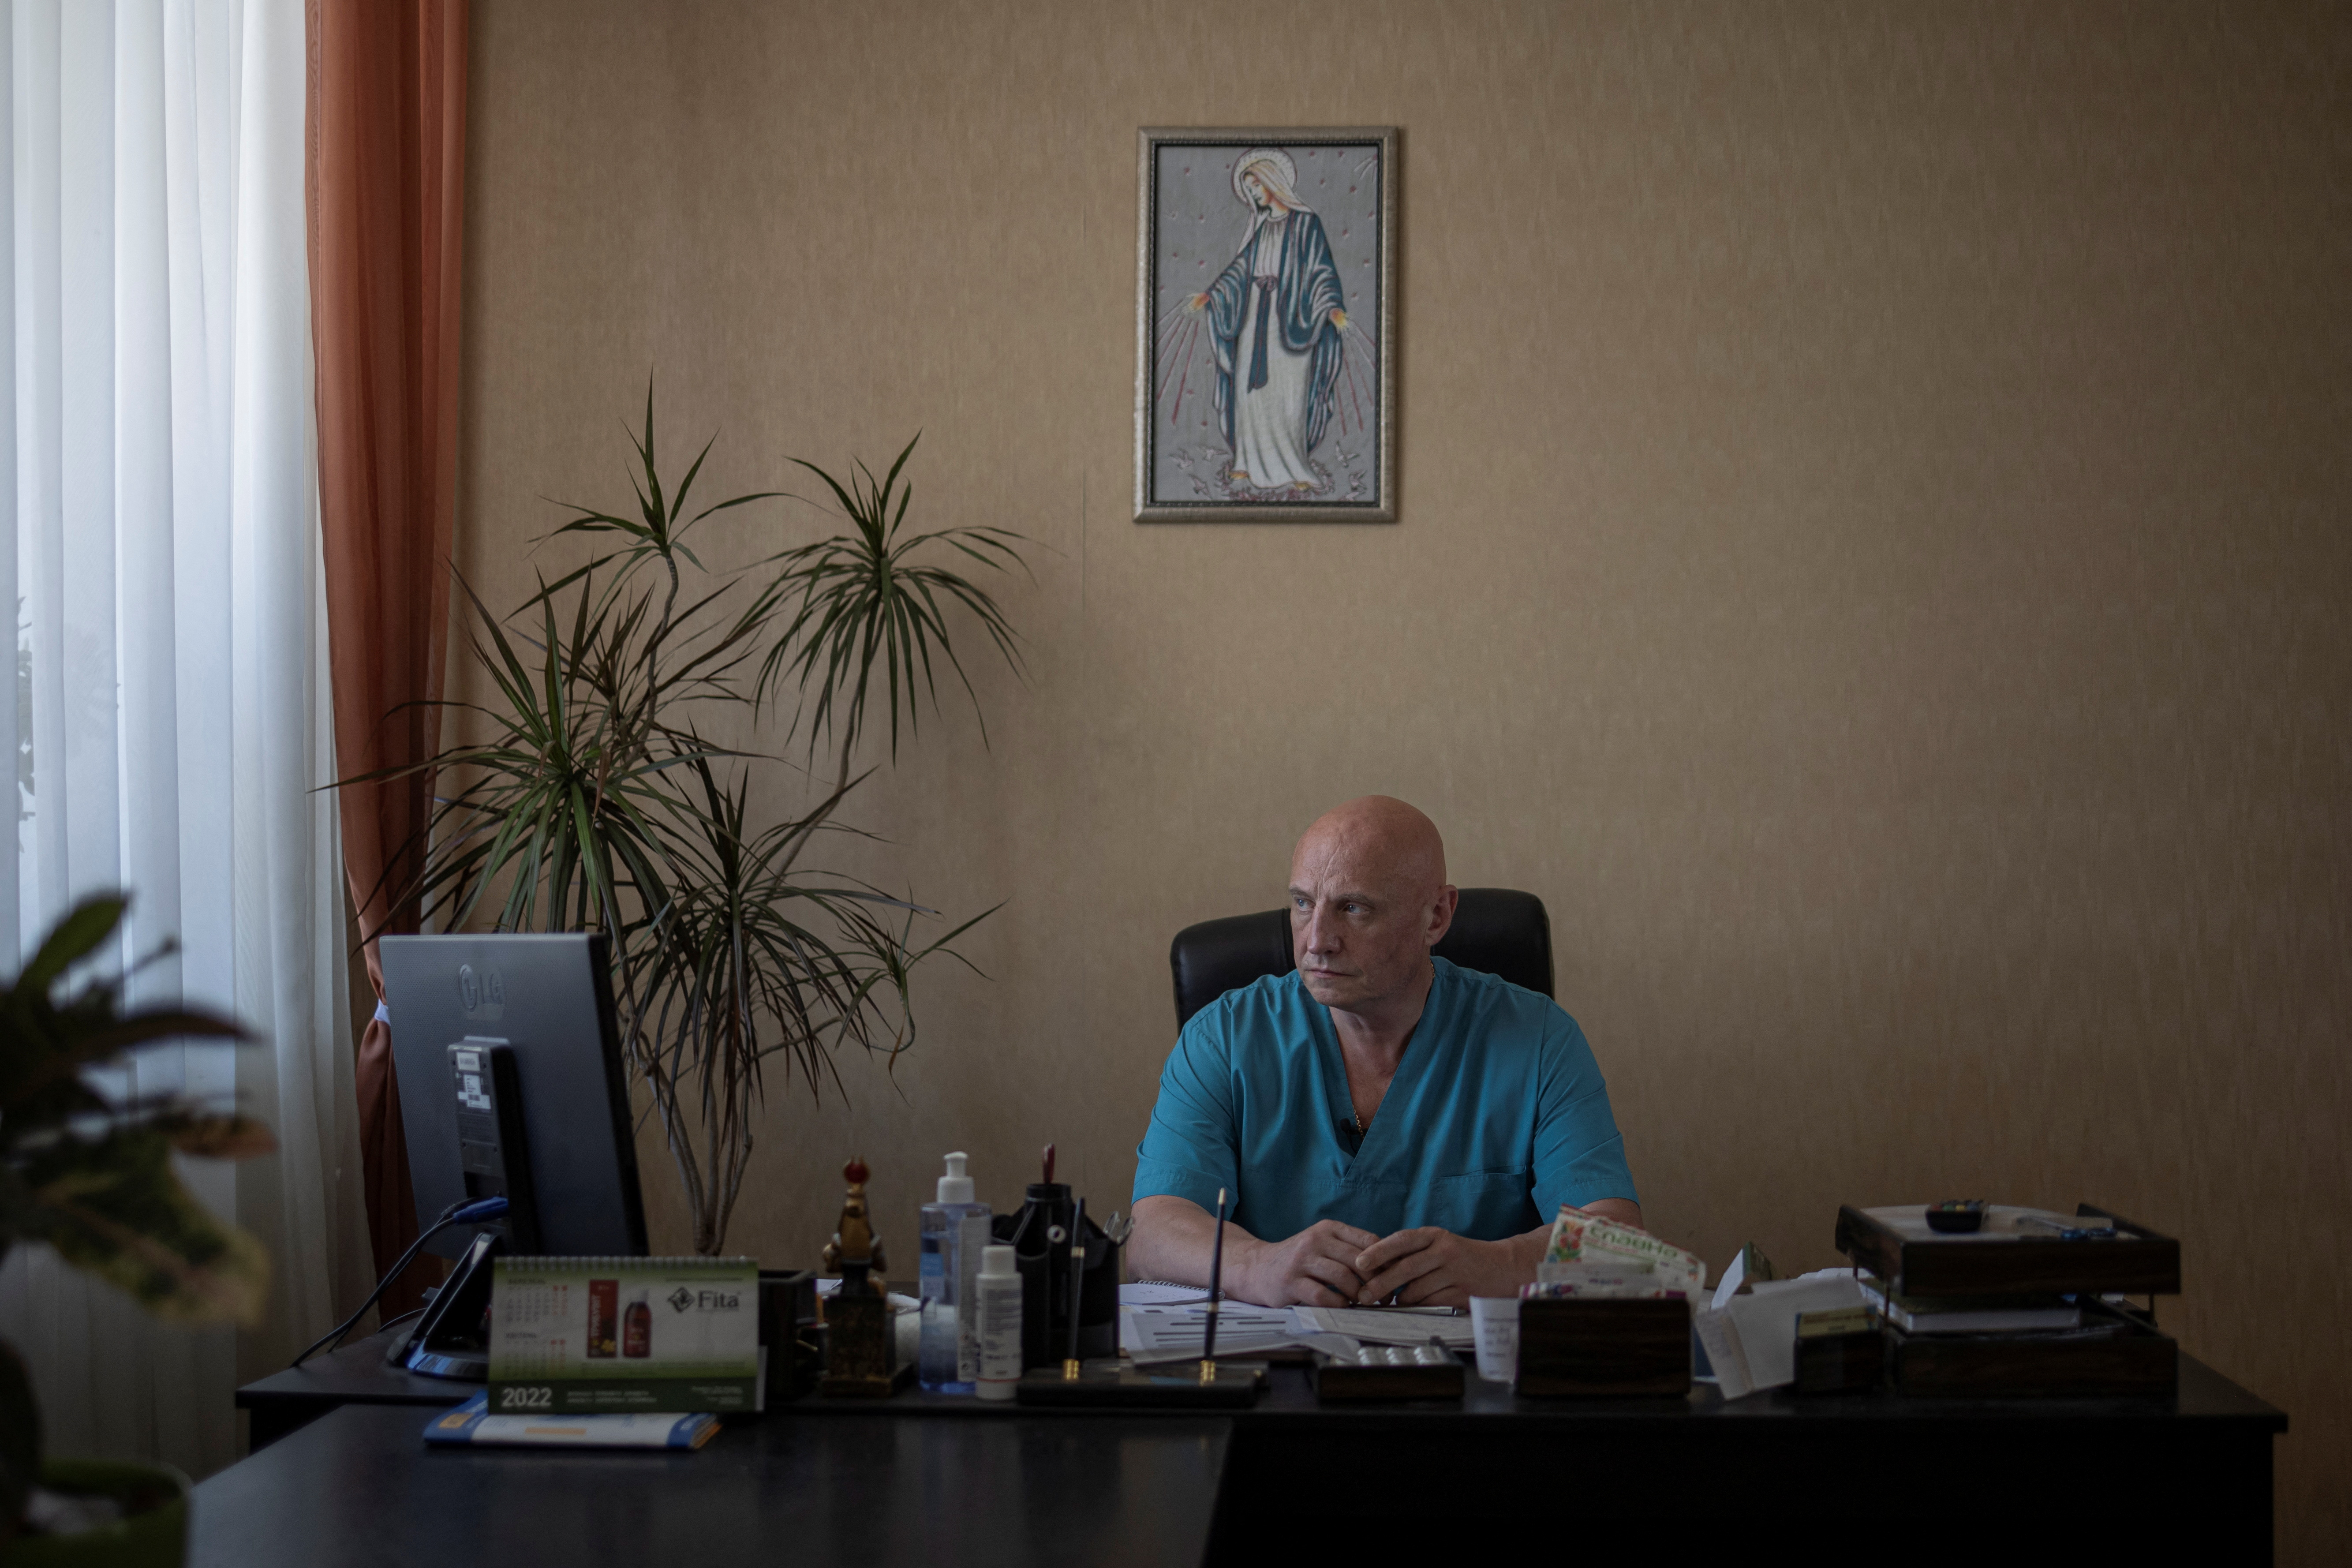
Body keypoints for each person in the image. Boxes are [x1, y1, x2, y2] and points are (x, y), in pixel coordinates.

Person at [1128, 797, 1641, 1307]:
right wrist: (1254, 1265)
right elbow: (1151, 1234)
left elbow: (1615, 1241)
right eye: (1303, 904)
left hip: (1471, 1355)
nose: (1316, 941)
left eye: (1353, 908)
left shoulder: (1538, 1039)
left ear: (1436, 916)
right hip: (1275, 1354)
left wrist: (1502, 1264)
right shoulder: (1223, 1038)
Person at [1182, 148, 1347, 495]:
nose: (1253, 194)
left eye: (1256, 185)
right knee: (1249, 392)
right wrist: (1212, 295)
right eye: (1249, 188)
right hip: (1254, 316)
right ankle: (1245, 462)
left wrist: (1331, 307)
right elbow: (1240, 269)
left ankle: (1294, 465)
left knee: (1288, 396)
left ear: (1273, 182)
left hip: (1293, 320)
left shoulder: (1306, 224)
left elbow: (1321, 270)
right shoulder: (1260, 229)